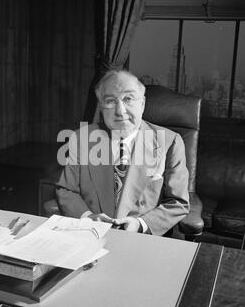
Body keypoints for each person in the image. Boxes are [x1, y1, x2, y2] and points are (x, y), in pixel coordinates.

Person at [56, 70, 189, 236]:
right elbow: (66, 190)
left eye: (128, 98)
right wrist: (88, 217)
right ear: (101, 107)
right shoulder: (82, 138)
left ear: (142, 104)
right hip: (91, 235)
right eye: (110, 101)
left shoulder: (170, 142)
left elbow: (178, 202)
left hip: (141, 239)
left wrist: (141, 224)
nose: (120, 110)